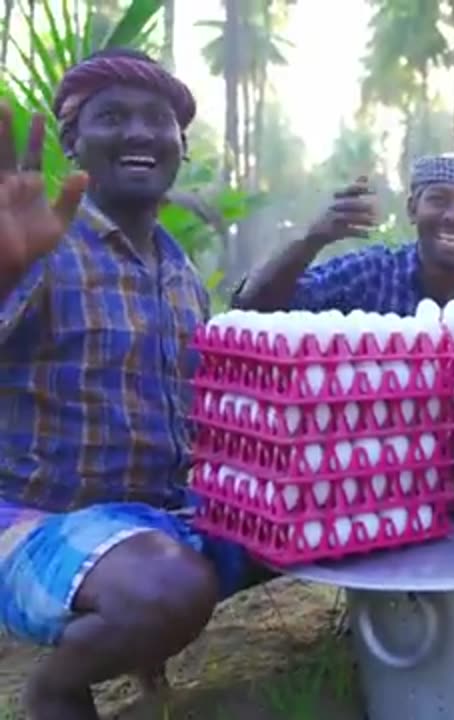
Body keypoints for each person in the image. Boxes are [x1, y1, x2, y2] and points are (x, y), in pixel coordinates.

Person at [0, 49, 259, 719]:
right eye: (112, 117)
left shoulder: (178, 273)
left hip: (159, 518)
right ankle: (56, 688)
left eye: (158, 120)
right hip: (36, 524)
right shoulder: (39, 246)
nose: (140, 134)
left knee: (330, 519)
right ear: (72, 142)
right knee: (164, 590)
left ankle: (146, 618)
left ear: (180, 146)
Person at [231, 152, 454, 312]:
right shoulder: (370, 276)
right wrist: (311, 241)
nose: (453, 216)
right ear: (412, 210)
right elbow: (253, 306)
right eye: (438, 200)